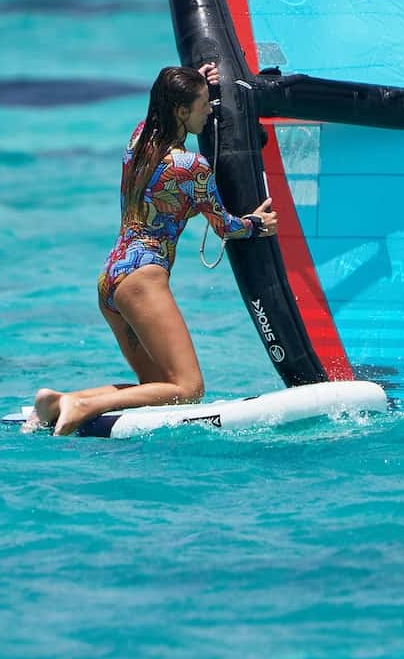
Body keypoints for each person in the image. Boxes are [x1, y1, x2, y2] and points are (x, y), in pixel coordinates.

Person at [31, 62, 277, 436]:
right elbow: (225, 226)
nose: (209, 111)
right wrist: (257, 224)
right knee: (188, 389)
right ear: (181, 110)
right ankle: (85, 405)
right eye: (202, 105)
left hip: (110, 279)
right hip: (143, 281)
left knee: (157, 390)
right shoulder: (191, 167)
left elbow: (166, 104)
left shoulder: (138, 140)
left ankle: (62, 399)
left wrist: (193, 79)